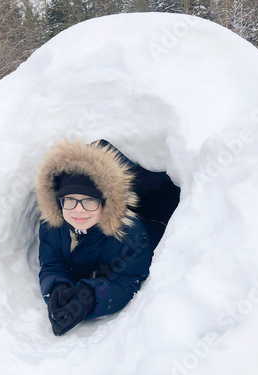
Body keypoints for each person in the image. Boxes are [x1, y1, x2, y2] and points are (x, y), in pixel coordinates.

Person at [34, 139, 179, 336]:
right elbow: (52, 264)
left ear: (104, 203)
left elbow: (127, 281)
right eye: (70, 200)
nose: (79, 210)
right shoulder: (52, 225)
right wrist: (57, 288)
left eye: (89, 201)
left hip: (155, 217)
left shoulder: (130, 235)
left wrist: (91, 297)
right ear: (59, 202)